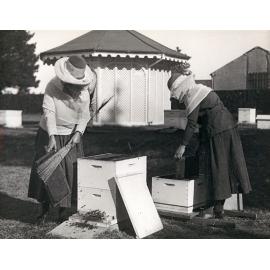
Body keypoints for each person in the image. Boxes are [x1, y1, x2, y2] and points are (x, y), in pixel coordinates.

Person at [167, 73, 252, 218]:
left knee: (218, 167)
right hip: (227, 127)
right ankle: (213, 203)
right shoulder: (201, 89)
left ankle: (217, 208)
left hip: (218, 130)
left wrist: (182, 145)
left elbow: (192, 123)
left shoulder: (192, 95)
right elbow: (204, 118)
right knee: (224, 165)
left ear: (180, 89)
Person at [28, 55, 97, 223]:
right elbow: (49, 113)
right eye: (73, 85)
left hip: (71, 135)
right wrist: (51, 136)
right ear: (65, 81)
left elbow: (84, 115)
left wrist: (78, 133)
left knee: (70, 172)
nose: (76, 89)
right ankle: (43, 209)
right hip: (49, 133)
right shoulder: (52, 86)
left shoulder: (84, 89)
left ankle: (63, 212)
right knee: (48, 172)